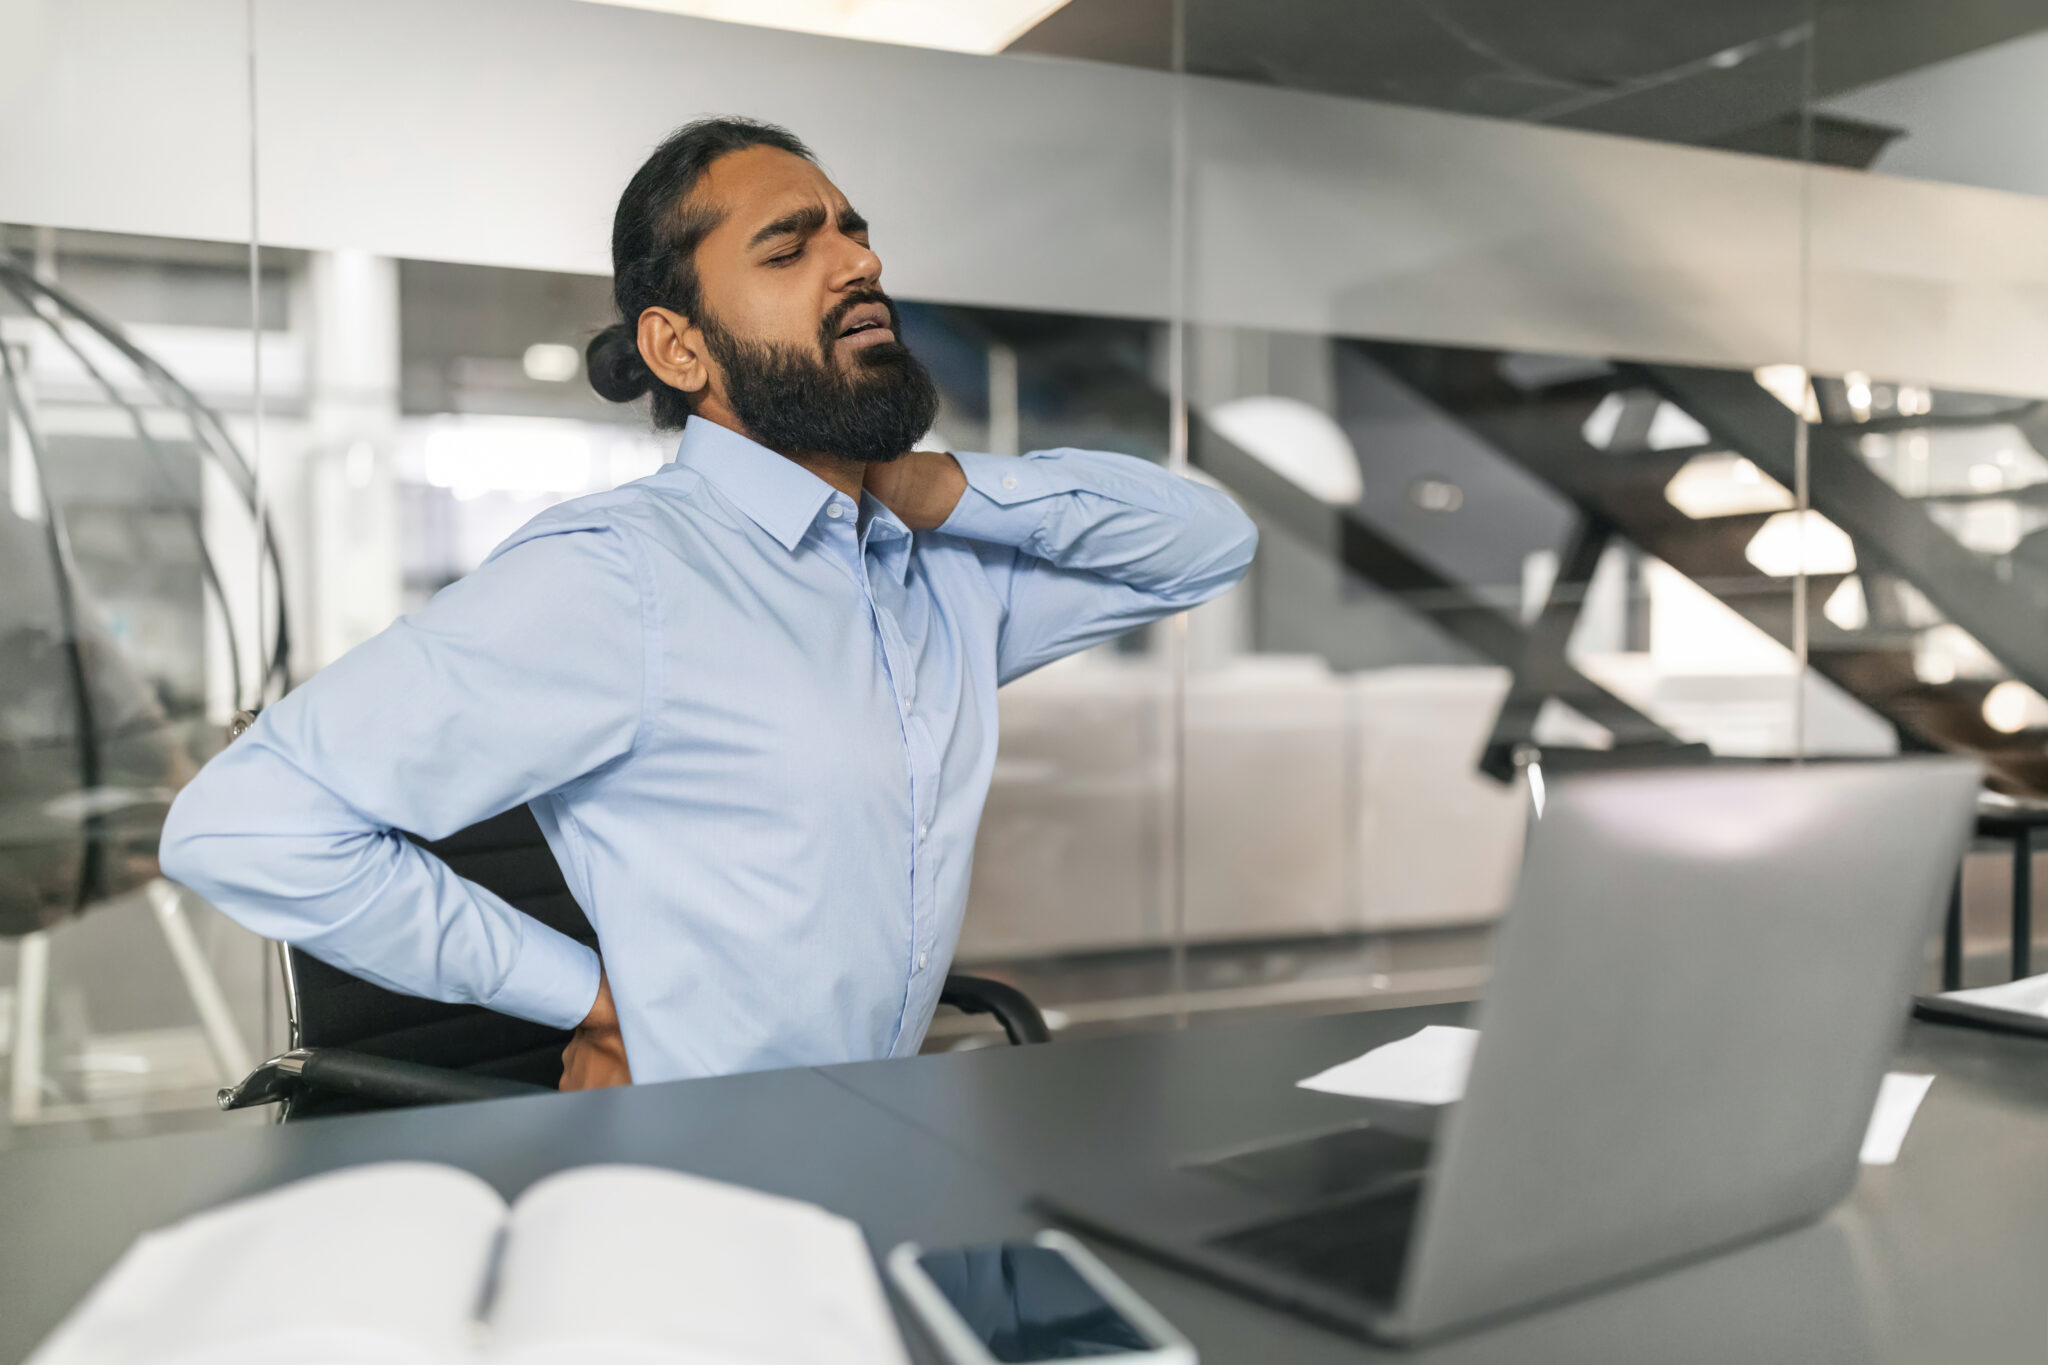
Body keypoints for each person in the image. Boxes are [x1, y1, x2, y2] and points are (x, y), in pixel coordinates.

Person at [159, 117, 1257, 1090]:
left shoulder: (938, 570)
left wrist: (942, 484)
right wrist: (588, 999)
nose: (859, 261)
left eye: (851, 232)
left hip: (874, 1136)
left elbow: (1207, 544)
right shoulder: (618, 581)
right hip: (699, 1171)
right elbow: (246, 825)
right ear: (678, 347)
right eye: (790, 245)